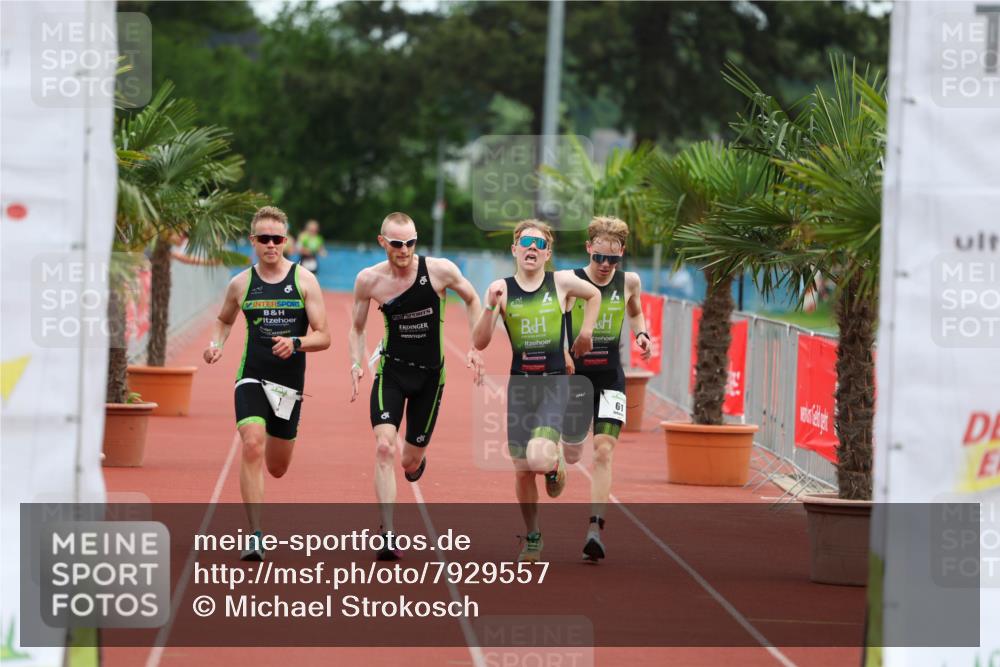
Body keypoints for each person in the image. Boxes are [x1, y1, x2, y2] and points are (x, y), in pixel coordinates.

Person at [349, 211, 484, 560]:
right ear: (383, 242)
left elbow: (471, 299)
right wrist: (356, 361)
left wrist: (475, 346)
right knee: (384, 448)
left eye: (410, 242)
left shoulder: (440, 271)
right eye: (397, 243)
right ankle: (388, 532)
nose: (405, 249)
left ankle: (415, 463)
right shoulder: (369, 280)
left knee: (408, 461)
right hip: (391, 373)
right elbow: (358, 327)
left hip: (430, 378)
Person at [204, 206, 330, 561]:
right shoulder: (241, 283)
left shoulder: (304, 280)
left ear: (286, 241)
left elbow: (325, 335)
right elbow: (224, 321)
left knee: (277, 466)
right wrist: (216, 345)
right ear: (253, 241)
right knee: (252, 444)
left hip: (288, 385)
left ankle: (258, 522)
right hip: (252, 375)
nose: (271, 244)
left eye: (277, 238)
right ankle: (255, 535)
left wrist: (297, 343)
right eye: (264, 238)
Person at [472, 220, 601, 563]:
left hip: (554, 381)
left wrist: (585, 333)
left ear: (547, 253)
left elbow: (595, 294)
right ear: (514, 249)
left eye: (539, 244)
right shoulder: (501, 288)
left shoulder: (560, 283)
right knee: (522, 468)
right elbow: (479, 342)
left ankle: (555, 461)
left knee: (539, 457)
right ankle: (533, 537)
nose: (532, 248)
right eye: (525, 242)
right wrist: (488, 306)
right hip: (520, 386)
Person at [561, 216, 651, 562]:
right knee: (572, 453)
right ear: (589, 249)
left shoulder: (630, 282)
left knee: (603, 450)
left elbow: (637, 313)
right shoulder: (570, 281)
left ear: (622, 255)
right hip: (576, 378)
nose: (604, 265)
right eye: (599, 257)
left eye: (612, 259)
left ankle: (594, 529)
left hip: (611, 376)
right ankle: (559, 458)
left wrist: (641, 333)